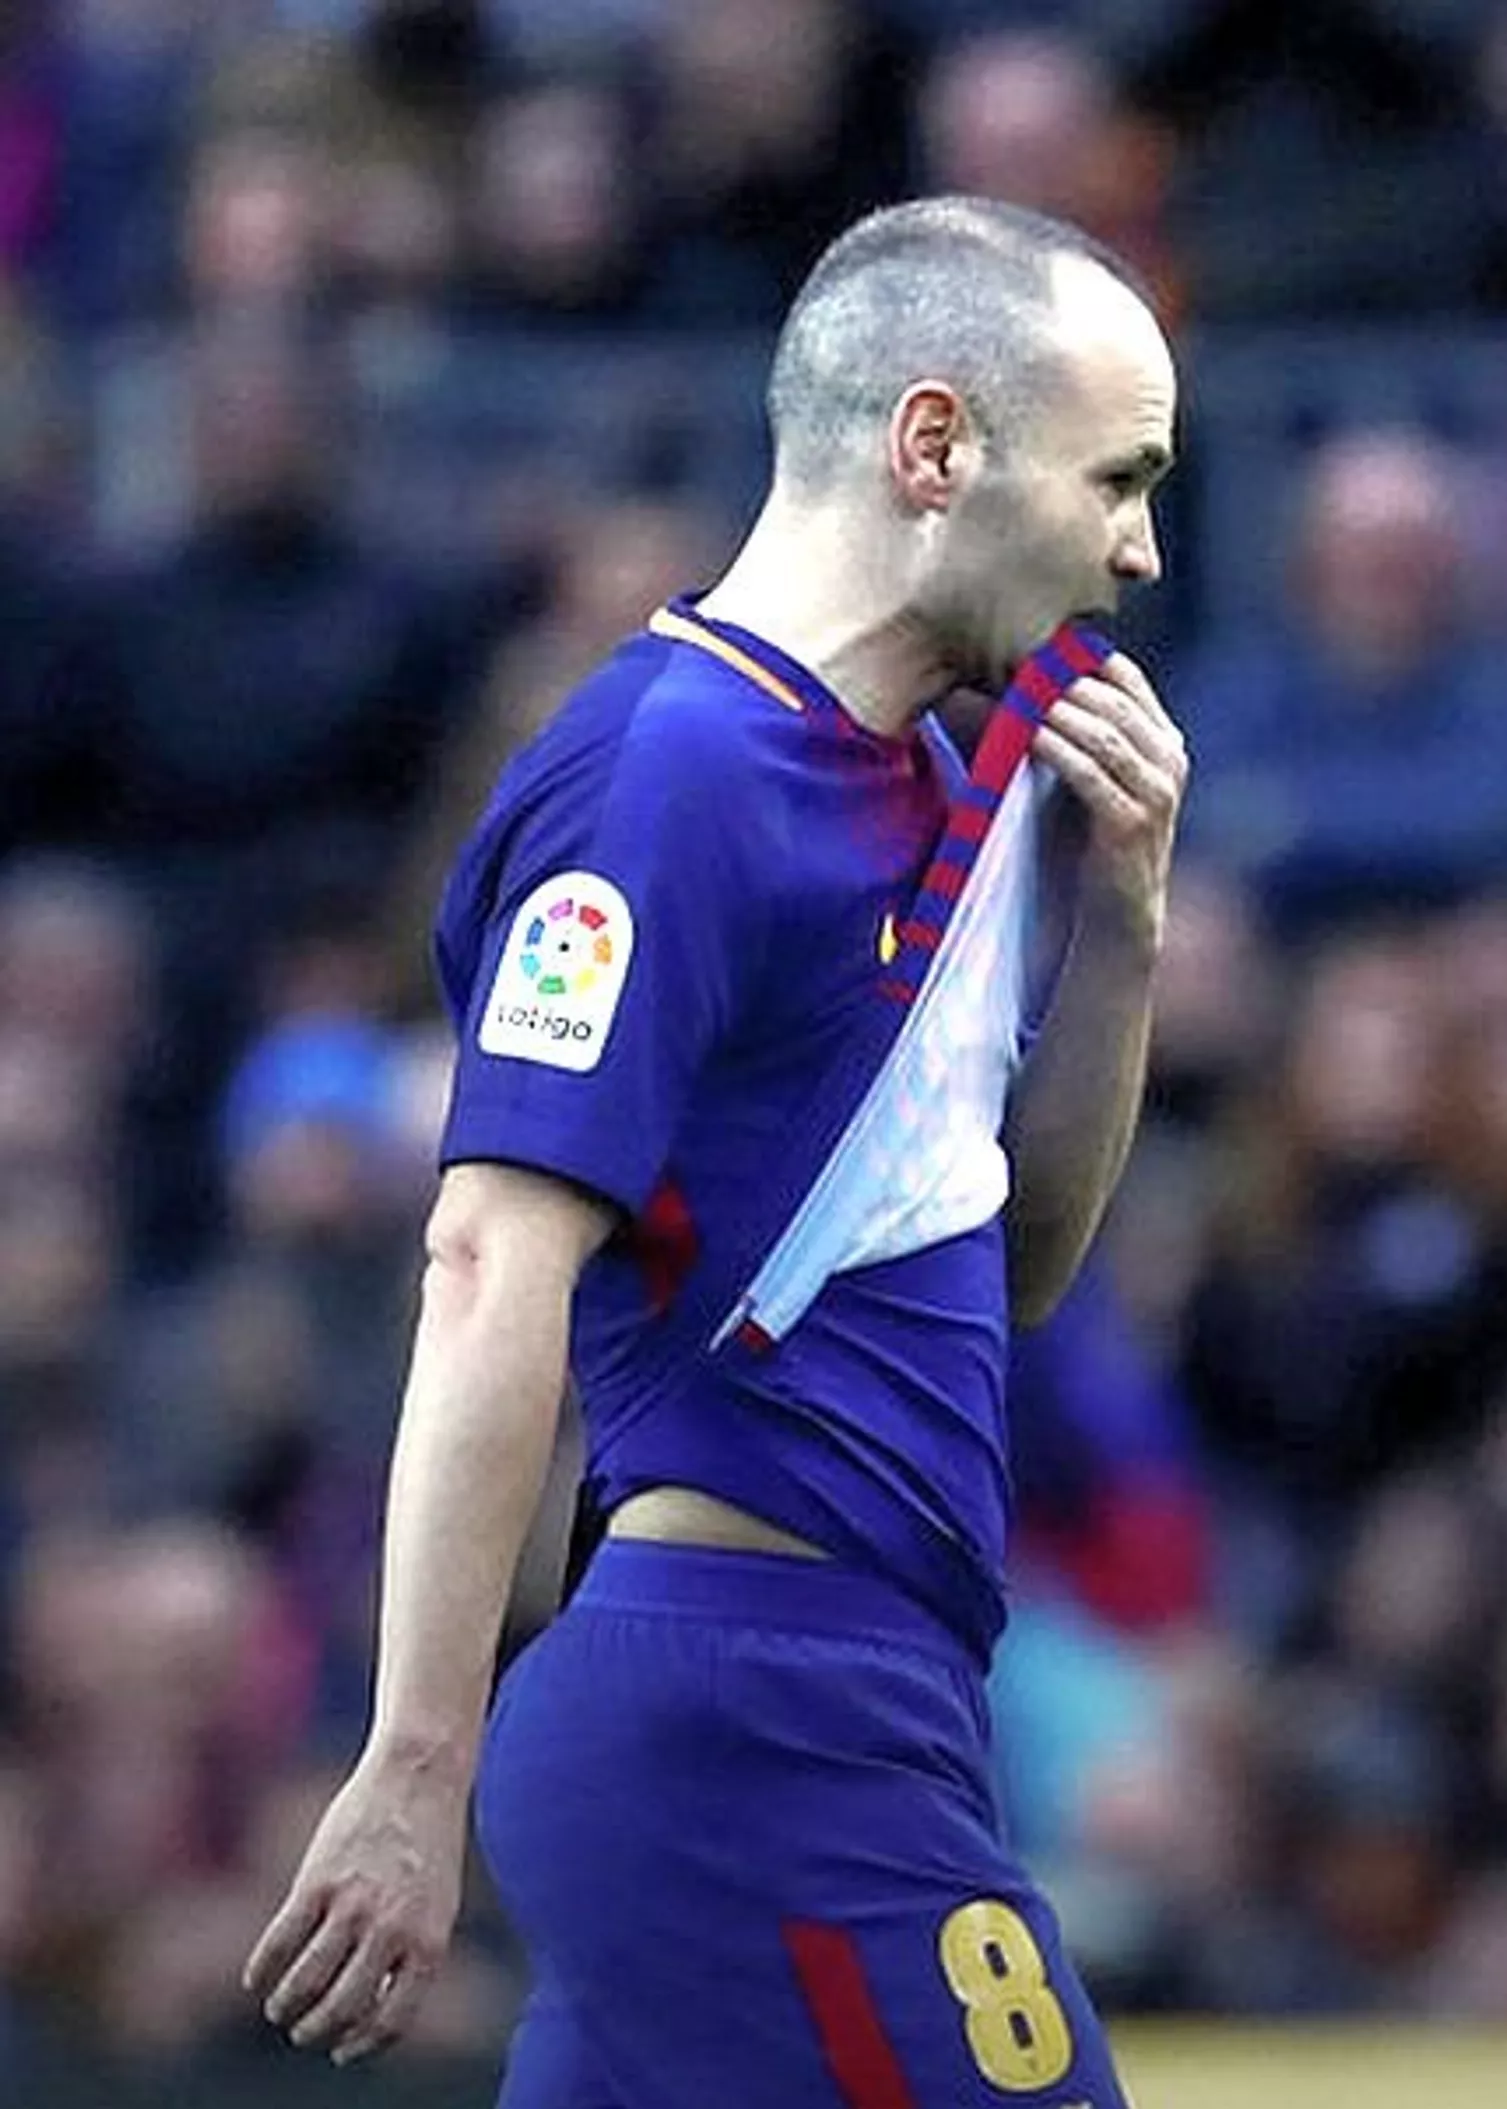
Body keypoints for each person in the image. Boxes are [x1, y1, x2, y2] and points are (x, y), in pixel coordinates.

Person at [243, 193, 1184, 2107]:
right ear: (936, 447)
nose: (1140, 549)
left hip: (861, 1690)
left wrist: (1125, 929)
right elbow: (487, 1261)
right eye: (1120, 479)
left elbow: (1004, 1275)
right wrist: (414, 1760)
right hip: (753, 1711)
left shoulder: (929, 780)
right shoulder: (672, 774)